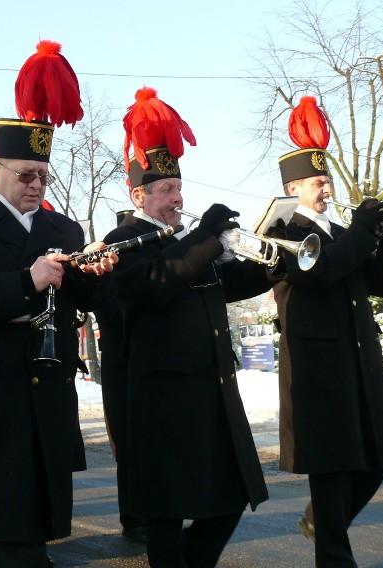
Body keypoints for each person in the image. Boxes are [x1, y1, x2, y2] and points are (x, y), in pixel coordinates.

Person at [0, 40, 115, 567]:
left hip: (47, 388)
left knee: (38, 520)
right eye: (24, 175)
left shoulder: (62, 227)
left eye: (43, 176)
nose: (35, 186)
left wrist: (97, 276)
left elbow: (80, 299)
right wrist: (25, 280)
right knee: (10, 528)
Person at [104, 87, 276, 567]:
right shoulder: (125, 239)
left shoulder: (187, 241)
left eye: (179, 189)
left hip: (211, 389)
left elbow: (226, 282)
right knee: (164, 512)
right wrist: (204, 236)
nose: (178, 199)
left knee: (231, 494)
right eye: (166, 191)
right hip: (161, 396)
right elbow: (160, 282)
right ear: (138, 195)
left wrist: (276, 262)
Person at [270, 96, 383, 566]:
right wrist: (365, 231)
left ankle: (320, 521)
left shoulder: (345, 230)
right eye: (316, 181)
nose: (326, 188)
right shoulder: (284, 229)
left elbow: (381, 284)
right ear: (294, 187)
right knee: (332, 470)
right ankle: (332, 549)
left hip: (357, 361)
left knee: (380, 455)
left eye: (326, 179)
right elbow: (322, 270)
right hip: (317, 369)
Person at [95, 209, 148, 544]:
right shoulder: (110, 269)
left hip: (142, 358)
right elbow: (108, 311)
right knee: (129, 442)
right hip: (120, 361)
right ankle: (132, 516)